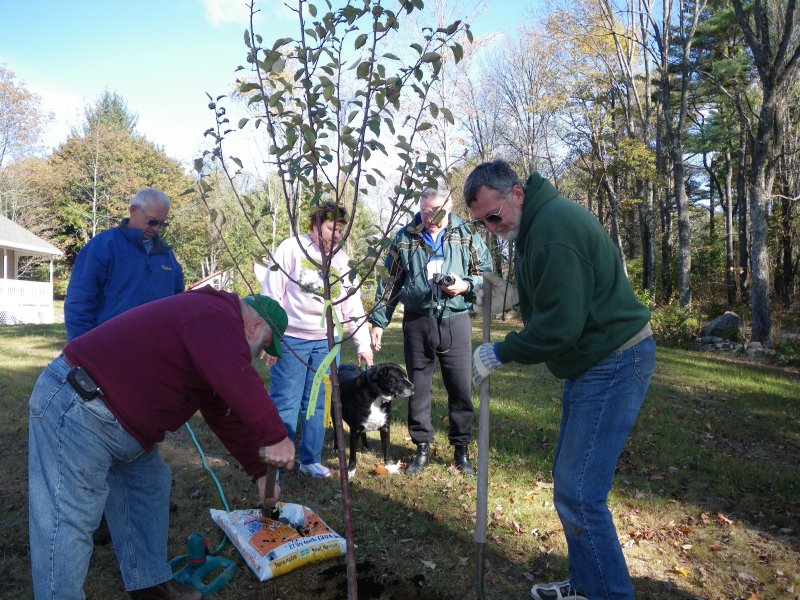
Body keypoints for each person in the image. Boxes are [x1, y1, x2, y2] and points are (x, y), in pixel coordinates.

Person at [465, 160, 655, 600]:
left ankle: (607, 593)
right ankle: (588, 583)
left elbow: (559, 327)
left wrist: (502, 351)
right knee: (571, 484)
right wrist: (512, 297)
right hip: (594, 361)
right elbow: (554, 296)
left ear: (516, 192)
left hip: (614, 360)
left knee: (580, 493)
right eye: (482, 223)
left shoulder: (553, 229)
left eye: (494, 216)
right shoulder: (535, 226)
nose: (492, 228)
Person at [28, 288, 295, 600]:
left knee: (149, 486)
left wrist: (258, 471)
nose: (257, 357)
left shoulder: (213, 331)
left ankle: (149, 586)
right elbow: (235, 375)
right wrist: (277, 436)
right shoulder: (214, 314)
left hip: (121, 424)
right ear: (255, 326)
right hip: (79, 407)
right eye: (263, 347)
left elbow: (223, 411)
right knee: (67, 521)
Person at [369, 188, 492, 476]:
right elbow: (389, 283)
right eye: (425, 212)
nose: (430, 218)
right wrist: (378, 321)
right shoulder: (404, 238)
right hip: (417, 321)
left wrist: (465, 285)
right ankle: (421, 449)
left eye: (436, 212)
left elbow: (486, 273)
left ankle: (461, 451)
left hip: (456, 319)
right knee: (418, 389)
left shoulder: (466, 233)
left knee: (460, 387)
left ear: (448, 209)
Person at [261, 202, 373, 479]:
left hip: (327, 343)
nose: (336, 234)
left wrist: (363, 344)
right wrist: (271, 341)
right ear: (315, 226)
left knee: (318, 401)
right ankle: (277, 460)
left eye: (340, 230)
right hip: (292, 338)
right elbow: (271, 297)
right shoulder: (290, 249)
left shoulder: (341, 261)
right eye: (330, 228)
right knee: (286, 400)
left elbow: (352, 304)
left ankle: (310, 459)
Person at [64, 187, 184, 341]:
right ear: (133, 210)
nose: (156, 228)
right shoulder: (102, 247)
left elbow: (177, 300)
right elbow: (80, 301)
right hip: (110, 345)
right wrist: (80, 347)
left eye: (162, 224)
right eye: (152, 221)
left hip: (157, 348)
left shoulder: (165, 254)